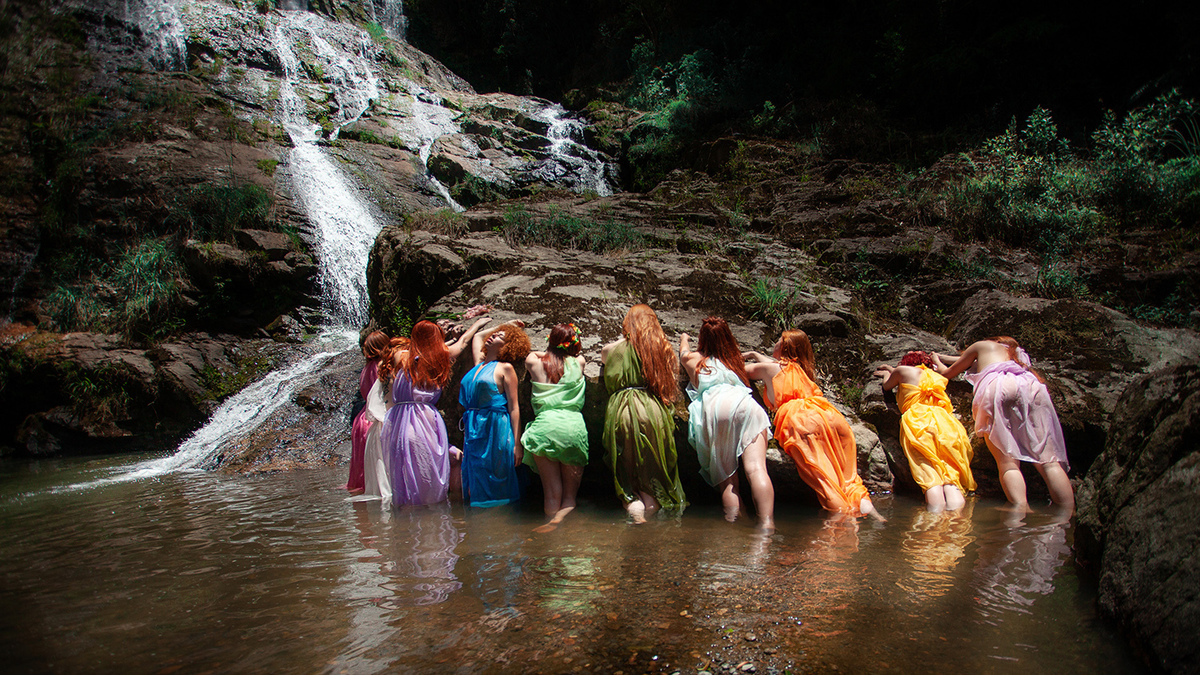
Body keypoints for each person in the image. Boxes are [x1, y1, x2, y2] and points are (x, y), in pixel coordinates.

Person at [743, 330, 879, 518]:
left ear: (783, 346)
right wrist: (752, 354)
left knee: (825, 479)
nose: (773, 344)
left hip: (802, 419)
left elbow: (740, 370)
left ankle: (843, 525)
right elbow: (772, 362)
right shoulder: (801, 369)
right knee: (848, 479)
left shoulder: (770, 369)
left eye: (777, 341)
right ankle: (876, 515)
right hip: (829, 415)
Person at [933, 337, 1074, 512]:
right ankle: (1068, 514)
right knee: (1049, 461)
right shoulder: (1018, 355)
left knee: (1007, 462)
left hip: (998, 386)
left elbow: (947, 372)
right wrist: (942, 355)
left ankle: (1020, 509)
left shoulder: (981, 345)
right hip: (1032, 387)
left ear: (995, 340)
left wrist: (936, 360)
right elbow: (965, 360)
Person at [379, 317, 491, 507]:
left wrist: (445, 341)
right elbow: (462, 343)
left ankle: (411, 517)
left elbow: (425, 353)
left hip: (400, 422)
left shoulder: (401, 356)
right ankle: (443, 509)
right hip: (423, 420)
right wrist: (478, 324)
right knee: (430, 467)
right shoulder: (437, 358)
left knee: (408, 470)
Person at [680, 317, 774, 528]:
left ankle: (733, 531)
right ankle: (767, 525)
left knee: (728, 482)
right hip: (746, 406)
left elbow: (683, 353)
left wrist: (684, 338)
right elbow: (774, 367)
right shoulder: (735, 362)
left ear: (703, 339)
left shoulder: (694, 359)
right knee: (757, 469)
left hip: (716, 409)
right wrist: (751, 354)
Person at [601, 304, 687, 523]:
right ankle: (652, 521)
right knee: (653, 479)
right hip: (652, 410)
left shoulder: (610, 349)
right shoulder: (661, 349)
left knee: (627, 479)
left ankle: (636, 512)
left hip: (622, 410)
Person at [874, 351, 975, 512]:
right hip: (946, 423)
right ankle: (957, 523)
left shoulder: (902, 371)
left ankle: (933, 525)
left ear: (906, 361)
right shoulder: (934, 375)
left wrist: (887, 372)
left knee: (930, 474)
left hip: (919, 421)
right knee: (950, 475)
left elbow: (887, 385)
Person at [522, 323, 589, 531]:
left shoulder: (534, 361)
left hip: (545, 428)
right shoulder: (579, 362)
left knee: (552, 493)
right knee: (569, 497)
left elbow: (539, 353)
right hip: (573, 428)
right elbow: (573, 355)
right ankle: (560, 521)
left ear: (550, 340)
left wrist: (552, 348)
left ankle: (550, 532)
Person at [459, 320, 531, 507]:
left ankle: (502, 522)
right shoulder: (479, 364)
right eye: (496, 334)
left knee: (497, 475)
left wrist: (517, 444)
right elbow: (478, 337)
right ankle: (481, 523)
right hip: (474, 427)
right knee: (476, 472)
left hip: (496, 427)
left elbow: (514, 408)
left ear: (508, 346)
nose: (493, 335)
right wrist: (507, 325)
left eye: (500, 336)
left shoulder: (505, 368)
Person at [347, 330, 390, 494]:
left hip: (361, 419)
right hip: (375, 417)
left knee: (363, 465)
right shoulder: (381, 366)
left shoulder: (366, 368)